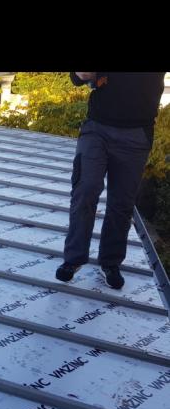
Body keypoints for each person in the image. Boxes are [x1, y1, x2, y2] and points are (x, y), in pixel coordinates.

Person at [56, 71, 166, 290]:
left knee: (121, 203)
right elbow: (77, 78)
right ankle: (74, 258)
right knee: (85, 188)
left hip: (137, 133)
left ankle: (110, 263)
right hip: (97, 127)